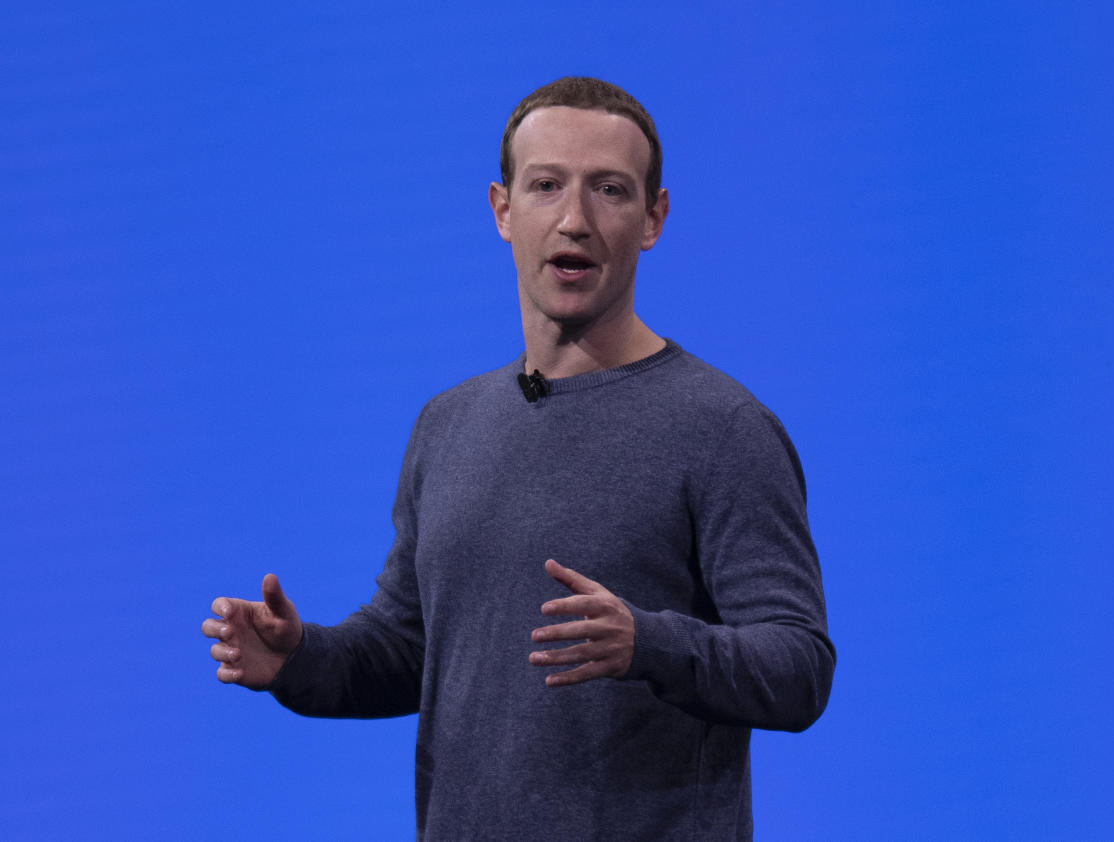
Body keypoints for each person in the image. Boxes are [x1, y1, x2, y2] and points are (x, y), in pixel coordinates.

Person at [202, 76, 834, 840]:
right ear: (503, 209)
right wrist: (300, 658)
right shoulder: (448, 424)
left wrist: (649, 642)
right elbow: (412, 650)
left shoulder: (723, 427)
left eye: (609, 189)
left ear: (653, 219)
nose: (575, 220)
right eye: (546, 186)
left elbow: (798, 668)